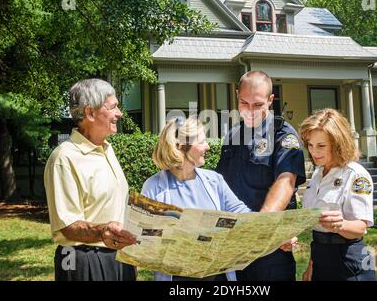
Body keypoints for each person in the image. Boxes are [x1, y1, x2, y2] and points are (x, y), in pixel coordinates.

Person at [140, 116, 295, 281]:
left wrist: (276, 236)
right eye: (201, 141)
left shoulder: (214, 181)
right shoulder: (154, 187)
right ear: (182, 147)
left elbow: (245, 217)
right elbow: (144, 238)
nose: (207, 146)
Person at [216, 71, 306, 281]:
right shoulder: (232, 135)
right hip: (233, 246)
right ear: (237, 95)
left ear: (270, 100)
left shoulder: (283, 134)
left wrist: (259, 228)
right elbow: (220, 184)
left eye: (257, 105)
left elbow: (286, 181)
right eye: (243, 103)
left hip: (270, 248)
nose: (250, 111)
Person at [44, 78, 137, 281]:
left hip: (119, 258)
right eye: (113, 107)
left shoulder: (107, 150)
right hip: (83, 260)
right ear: (90, 112)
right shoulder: (64, 158)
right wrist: (103, 231)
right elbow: (67, 226)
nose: (119, 114)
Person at [299, 108, 377, 281]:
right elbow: (319, 229)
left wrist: (340, 224)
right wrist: (311, 266)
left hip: (348, 261)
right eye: (310, 145)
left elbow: (360, 228)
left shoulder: (356, 175)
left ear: (337, 144)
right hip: (320, 258)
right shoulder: (318, 173)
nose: (314, 152)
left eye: (321, 146)